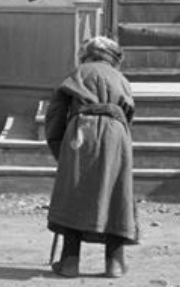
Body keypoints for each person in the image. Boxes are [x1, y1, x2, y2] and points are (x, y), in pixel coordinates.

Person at [44, 36, 138, 278]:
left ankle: (69, 262)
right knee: (116, 193)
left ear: (87, 54)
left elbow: (55, 114)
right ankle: (115, 263)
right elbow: (128, 113)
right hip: (117, 134)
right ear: (113, 58)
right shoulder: (122, 79)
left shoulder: (78, 73)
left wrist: (59, 149)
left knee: (75, 191)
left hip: (80, 133)